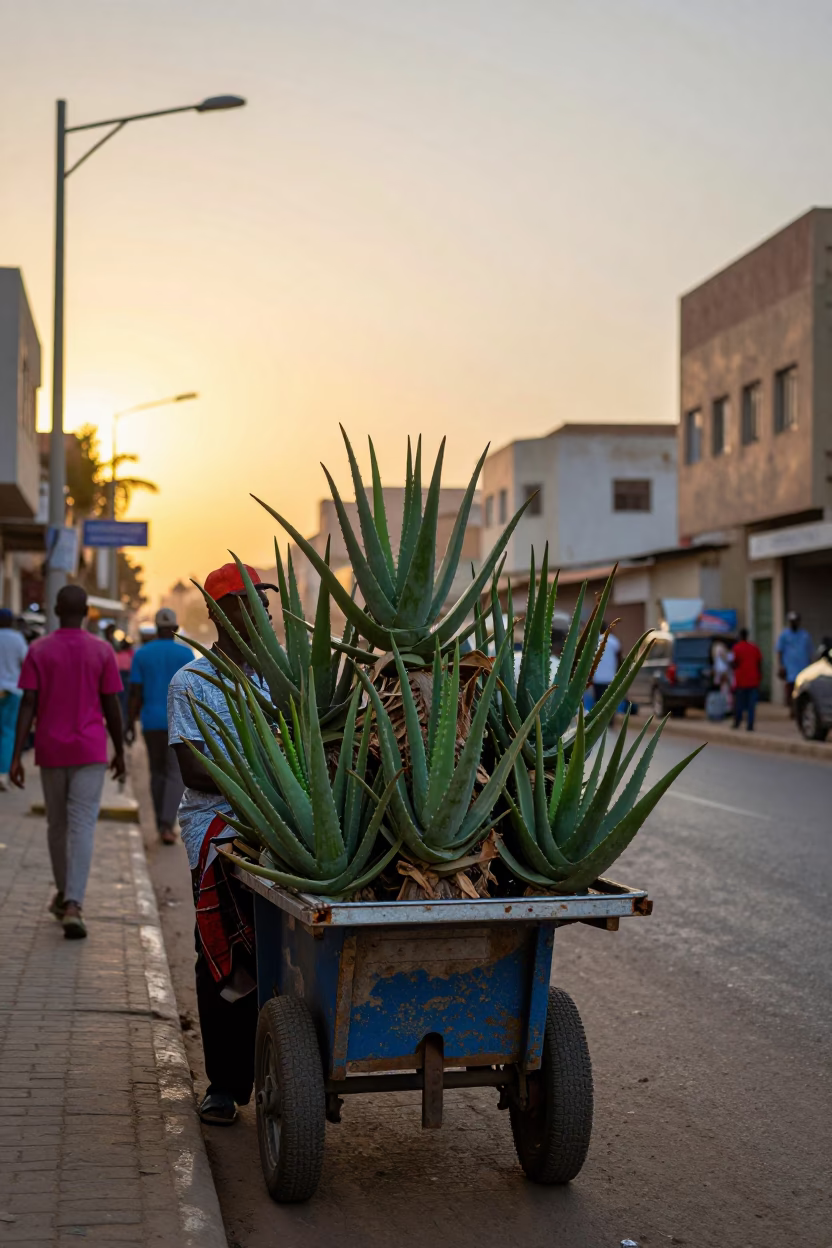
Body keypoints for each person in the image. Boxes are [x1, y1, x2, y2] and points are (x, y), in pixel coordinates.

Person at [168, 563, 276, 1126]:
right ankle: (223, 1085)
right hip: (220, 832)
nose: (258, 610)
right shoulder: (191, 682)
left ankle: (278, 1066)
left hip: (281, 830)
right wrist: (267, 774)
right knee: (224, 961)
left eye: (262, 599)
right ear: (215, 613)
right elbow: (193, 771)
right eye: (243, 602)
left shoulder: (276, 680)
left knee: (278, 954)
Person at [9, 585, 125, 939]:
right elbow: (111, 705)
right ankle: (73, 901)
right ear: (87, 610)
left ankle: (65, 896)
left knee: (56, 826)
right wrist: (120, 751)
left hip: (50, 750)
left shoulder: (39, 650)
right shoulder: (102, 650)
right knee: (82, 826)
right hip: (90, 751)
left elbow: (28, 702)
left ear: (55, 609)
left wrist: (15, 758)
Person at [126, 609, 192, 844]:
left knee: (156, 772)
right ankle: (166, 824)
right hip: (178, 722)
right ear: (175, 628)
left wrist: (129, 724)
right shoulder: (186, 654)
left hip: (151, 721)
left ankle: (158, 822)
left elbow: (135, 693)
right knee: (175, 773)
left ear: (155, 628)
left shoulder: (142, 654)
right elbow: (191, 693)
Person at [0, 609, 27, 789]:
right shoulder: (17, 639)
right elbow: (26, 662)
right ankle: (3, 774)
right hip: (12, 691)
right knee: (8, 732)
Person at [776, 611, 813, 715]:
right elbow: (779, 651)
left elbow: (810, 651)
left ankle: (800, 710)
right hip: (790, 669)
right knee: (790, 691)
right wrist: (781, 666)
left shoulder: (805, 635)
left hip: (803, 668)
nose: (793, 623)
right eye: (791, 621)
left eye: (795, 621)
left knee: (802, 691)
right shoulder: (784, 635)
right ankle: (792, 709)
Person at [731, 628, 763, 731]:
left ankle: (737, 722)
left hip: (741, 681)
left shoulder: (736, 648)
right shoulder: (754, 648)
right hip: (753, 680)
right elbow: (759, 663)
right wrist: (759, 677)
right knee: (751, 705)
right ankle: (750, 725)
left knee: (739, 704)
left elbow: (734, 663)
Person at [592, 621, 621, 706]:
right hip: (610, 678)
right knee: (609, 703)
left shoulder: (596, 641)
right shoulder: (614, 641)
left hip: (597, 679)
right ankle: (610, 719)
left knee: (598, 703)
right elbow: (619, 658)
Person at [115, 639, 134, 725]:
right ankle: (125, 720)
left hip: (118, 677)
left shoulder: (116, 655)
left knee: (118, 701)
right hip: (128, 678)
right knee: (126, 701)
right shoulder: (131, 655)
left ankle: (119, 719)